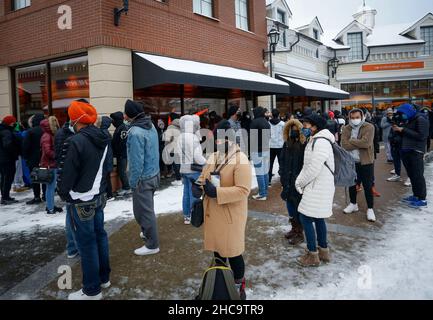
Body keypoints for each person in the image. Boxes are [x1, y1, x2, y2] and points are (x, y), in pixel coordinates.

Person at [57, 101, 111, 300]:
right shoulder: (103, 136)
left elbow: (68, 174)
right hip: (98, 194)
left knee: (86, 243)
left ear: (75, 119)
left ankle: (91, 289)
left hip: (80, 198)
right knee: (100, 236)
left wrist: (63, 194)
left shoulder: (76, 141)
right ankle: (103, 278)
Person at [193, 120, 252, 300]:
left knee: (233, 253)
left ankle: (237, 287)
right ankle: (221, 284)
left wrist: (217, 192)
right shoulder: (214, 155)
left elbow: (243, 190)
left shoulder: (241, 159)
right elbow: (205, 176)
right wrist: (199, 185)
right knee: (218, 251)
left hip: (230, 216)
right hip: (215, 215)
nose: (217, 142)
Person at [294, 113, 335, 267]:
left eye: (306, 125)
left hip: (317, 185)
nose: (304, 127)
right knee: (318, 218)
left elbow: (314, 167)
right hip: (319, 185)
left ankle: (313, 255)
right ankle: (323, 251)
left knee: (305, 217)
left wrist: (300, 182)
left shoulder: (321, 141)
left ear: (315, 126)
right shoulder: (318, 139)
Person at [124, 99, 161, 255]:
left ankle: (152, 245)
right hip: (154, 173)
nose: (124, 115)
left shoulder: (134, 132)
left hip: (143, 178)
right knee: (147, 209)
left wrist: (133, 182)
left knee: (143, 212)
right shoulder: (150, 125)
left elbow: (136, 162)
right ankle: (147, 232)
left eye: (125, 112)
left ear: (130, 114)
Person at [341, 109, 377, 222]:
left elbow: (366, 143)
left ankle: (370, 208)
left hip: (366, 161)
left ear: (362, 116)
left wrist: (352, 140)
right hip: (351, 162)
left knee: (367, 185)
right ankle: (353, 204)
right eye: (352, 117)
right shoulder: (346, 128)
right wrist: (358, 142)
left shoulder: (369, 127)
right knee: (352, 184)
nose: (355, 119)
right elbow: (344, 145)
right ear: (349, 118)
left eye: (357, 117)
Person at [393, 103, 430, 208]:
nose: (402, 115)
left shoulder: (421, 119)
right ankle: (415, 195)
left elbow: (422, 136)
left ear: (408, 111)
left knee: (418, 176)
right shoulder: (409, 119)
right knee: (412, 175)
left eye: (403, 113)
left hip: (416, 151)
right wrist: (398, 130)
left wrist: (403, 129)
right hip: (406, 150)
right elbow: (406, 134)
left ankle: (422, 199)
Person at [279, 118, 306, 245]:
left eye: (296, 130)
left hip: (298, 181)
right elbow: (282, 160)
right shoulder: (287, 143)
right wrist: (282, 174)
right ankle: (294, 228)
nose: (293, 132)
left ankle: (300, 232)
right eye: (291, 130)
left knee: (298, 207)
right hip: (287, 180)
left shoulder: (304, 144)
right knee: (289, 205)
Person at [54, 115, 77, 259]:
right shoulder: (64, 134)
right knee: (71, 216)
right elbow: (62, 159)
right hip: (70, 182)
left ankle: (74, 247)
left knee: (73, 216)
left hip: (73, 180)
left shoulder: (66, 133)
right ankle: (72, 247)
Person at [177, 114, 207, 224]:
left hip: (183, 169)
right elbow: (198, 157)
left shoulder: (180, 137)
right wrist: (206, 163)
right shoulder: (193, 137)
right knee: (194, 192)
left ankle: (186, 216)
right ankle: (195, 214)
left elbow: (179, 154)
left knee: (186, 193)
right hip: (193, 170)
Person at [40, 117, 63, 215]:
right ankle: (50, 208)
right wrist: (57, 155)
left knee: (51, 187)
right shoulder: (47, 135)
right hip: (49, 165)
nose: (57, 124)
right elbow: (47, 151)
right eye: (54, 122)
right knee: (50, 187)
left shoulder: (50, 134)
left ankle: (50, 206)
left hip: (51, 164)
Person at [23, 114, 46, 204]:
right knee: (45, 177)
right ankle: (45, 195)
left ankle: (37, 197)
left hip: (33, 159)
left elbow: (25, 146)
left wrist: (26, 157)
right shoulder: (46, 130)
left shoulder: (30, 131)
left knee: (34, 178)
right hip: (44, 158)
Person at [250, 107, 271, 201]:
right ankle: (265, 191)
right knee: (265, 172)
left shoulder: (254, 122)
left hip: (257, 150)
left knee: (259, 173)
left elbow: (252, 138)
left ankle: (262, 194)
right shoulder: (266, 122)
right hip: (266, 149)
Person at [0, 115, 20, 205]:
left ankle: (5, 196)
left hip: (2, 158)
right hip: (7, 159)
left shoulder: (2, 130)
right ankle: (5, 197)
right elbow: (7, 145)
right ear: (10, 123)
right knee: (8, 178)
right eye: (13, 122)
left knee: (4, 177)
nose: (14, 124)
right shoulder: (6, 132)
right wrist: (15, 152)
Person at [110, 111, 131, 196]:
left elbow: (122, 143)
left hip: (122, 154)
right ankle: (125, 187)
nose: (112, 123)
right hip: (121, 154)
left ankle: (127, 187)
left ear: (117, 120)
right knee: (121, 171)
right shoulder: (120, 127)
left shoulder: (122, 128)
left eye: (113, 120)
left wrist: (117, 152)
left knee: (122, 171)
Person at [95, 116, 114, 200]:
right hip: (107, 158)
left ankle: (109, 194)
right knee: (106, 177)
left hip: (105, 159)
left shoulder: (102, 133)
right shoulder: (105, 132)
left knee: (105, 177)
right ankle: (109, 194)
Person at [162, 113, 182, 186]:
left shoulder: (170, 127)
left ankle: (178, 179)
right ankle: (181, 178)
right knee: (180, 163)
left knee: (176, 164)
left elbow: (167, 139)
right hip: (181, 147)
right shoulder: (182, 125)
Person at [268, 109, 285, 183]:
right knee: (281, 163)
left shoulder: (268, 123)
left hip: (271, 145)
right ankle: (282, 181)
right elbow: (285, 134)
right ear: (278, 115)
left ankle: (269, 181)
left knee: (270, 163)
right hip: (280, 146)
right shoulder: (282, 124)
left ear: (272, 114)